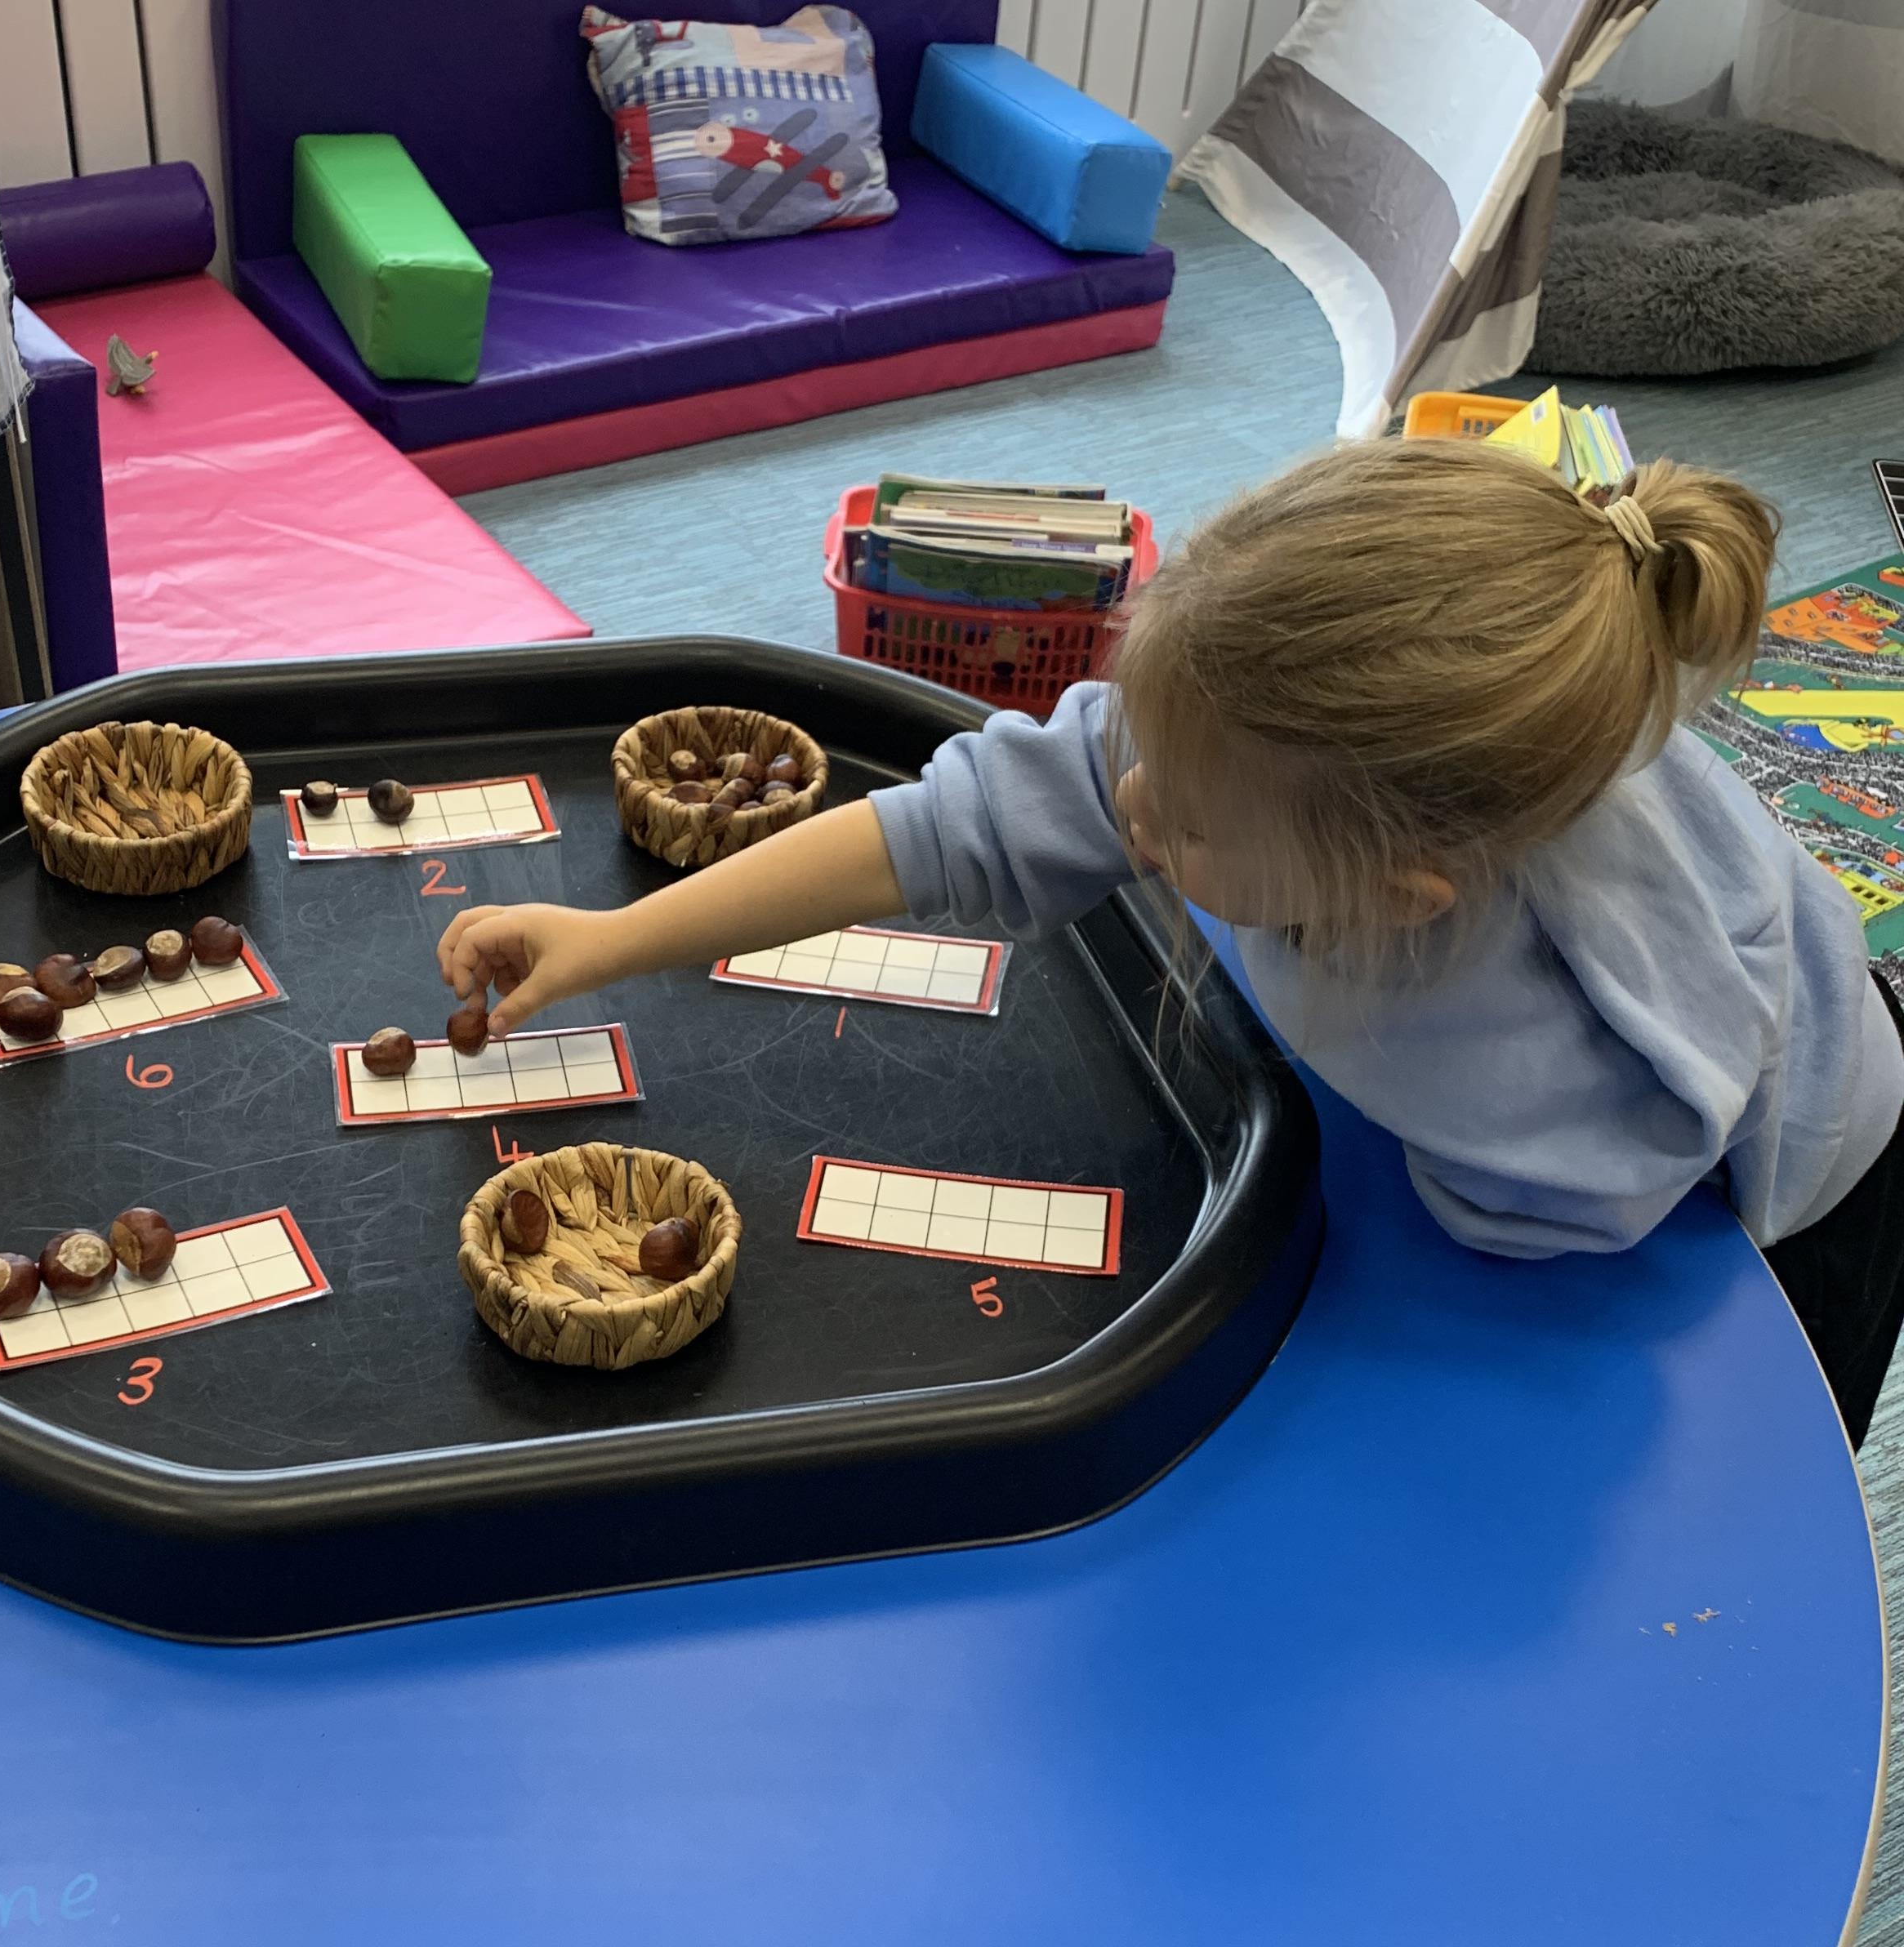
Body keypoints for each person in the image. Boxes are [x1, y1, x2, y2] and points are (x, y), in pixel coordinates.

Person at [437, 437, 1904, 1444]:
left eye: (1186, 823)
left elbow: (1559, 1259)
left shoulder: (1539, 1076)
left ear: (1388, 898)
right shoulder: (1252, 737)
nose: (1130, 806)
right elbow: (944, 830)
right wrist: (615, 937)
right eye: (1140, 749)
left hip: (1774, 1181)